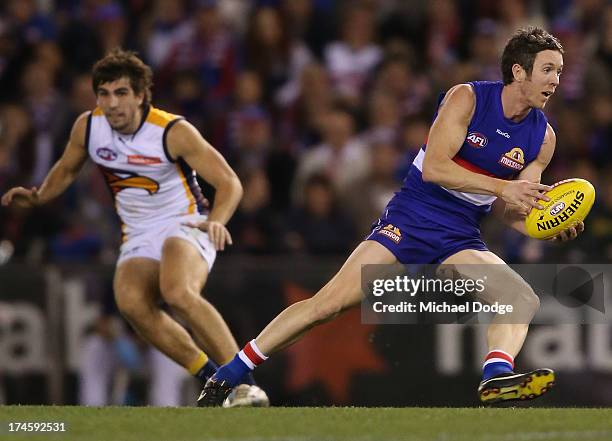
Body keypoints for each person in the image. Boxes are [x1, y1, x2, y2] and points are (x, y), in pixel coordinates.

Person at [197, 27, 583, 406]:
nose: (556, 80)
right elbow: (434, 167)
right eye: (548, 69)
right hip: (412, 216)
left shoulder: (542, 138)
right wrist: (502, 187)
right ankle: (229, 373)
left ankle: (496, 377)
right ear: (519, 71)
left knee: (519, 296)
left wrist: (545, 226)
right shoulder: (467, 98)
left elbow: (511, 208)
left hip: (460, 234)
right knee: (327, 305)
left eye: (560, 71)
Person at [1, 48, 268, 407]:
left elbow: (230, 182)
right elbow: (66, 169)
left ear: (141, 95)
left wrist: (217, 221)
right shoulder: (89, 126)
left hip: (186, 223)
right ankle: (213, 381)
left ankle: (246, 385)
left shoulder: (172, 131)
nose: (111, 103)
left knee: (177, 292)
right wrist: (37, 196)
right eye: (104, 93)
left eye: (121, 93)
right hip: (138, 233)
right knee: (131, 303)